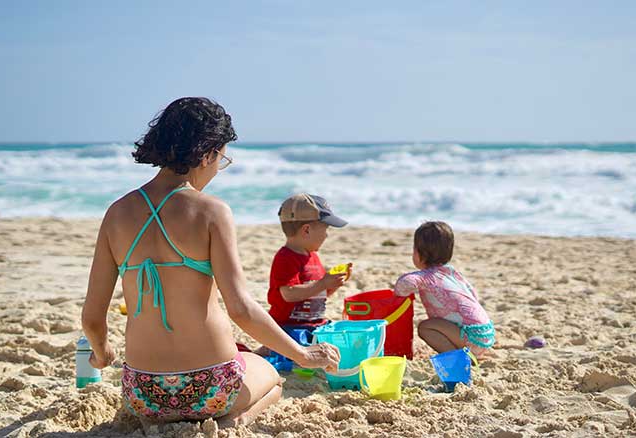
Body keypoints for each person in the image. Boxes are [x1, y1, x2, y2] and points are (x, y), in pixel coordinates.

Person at [80, 97, 340, 427]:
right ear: (206, 153)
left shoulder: (116, 213)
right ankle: (233, 422)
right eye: (221, 157)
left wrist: (102, 355)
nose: (218, 168)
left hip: (143, 393)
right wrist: (303, 355)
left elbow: (91, 317)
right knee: (272, 377)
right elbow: (241, 309)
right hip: (213, 388)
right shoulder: (212, 212)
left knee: (244, 369)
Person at [393, 221, 495, 358]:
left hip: (471, 339)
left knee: (425, 327)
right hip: (485, 333)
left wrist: (398, 295)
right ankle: (469, 351)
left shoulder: (426, 277)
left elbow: (403, 284)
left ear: (420, 253)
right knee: (435, 324)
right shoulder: (452, 272)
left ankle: (456, 357)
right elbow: (473, 294)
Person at [263, 194, 351, 352]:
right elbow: (288, 294)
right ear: (307, 230)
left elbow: (316, 293)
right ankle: (266, 349)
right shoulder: (285, 258)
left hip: (315, 325)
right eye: (326, 229)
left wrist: (332, 285)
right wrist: (323, 283)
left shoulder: (313, 256)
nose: (327, 235)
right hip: (288, 328)